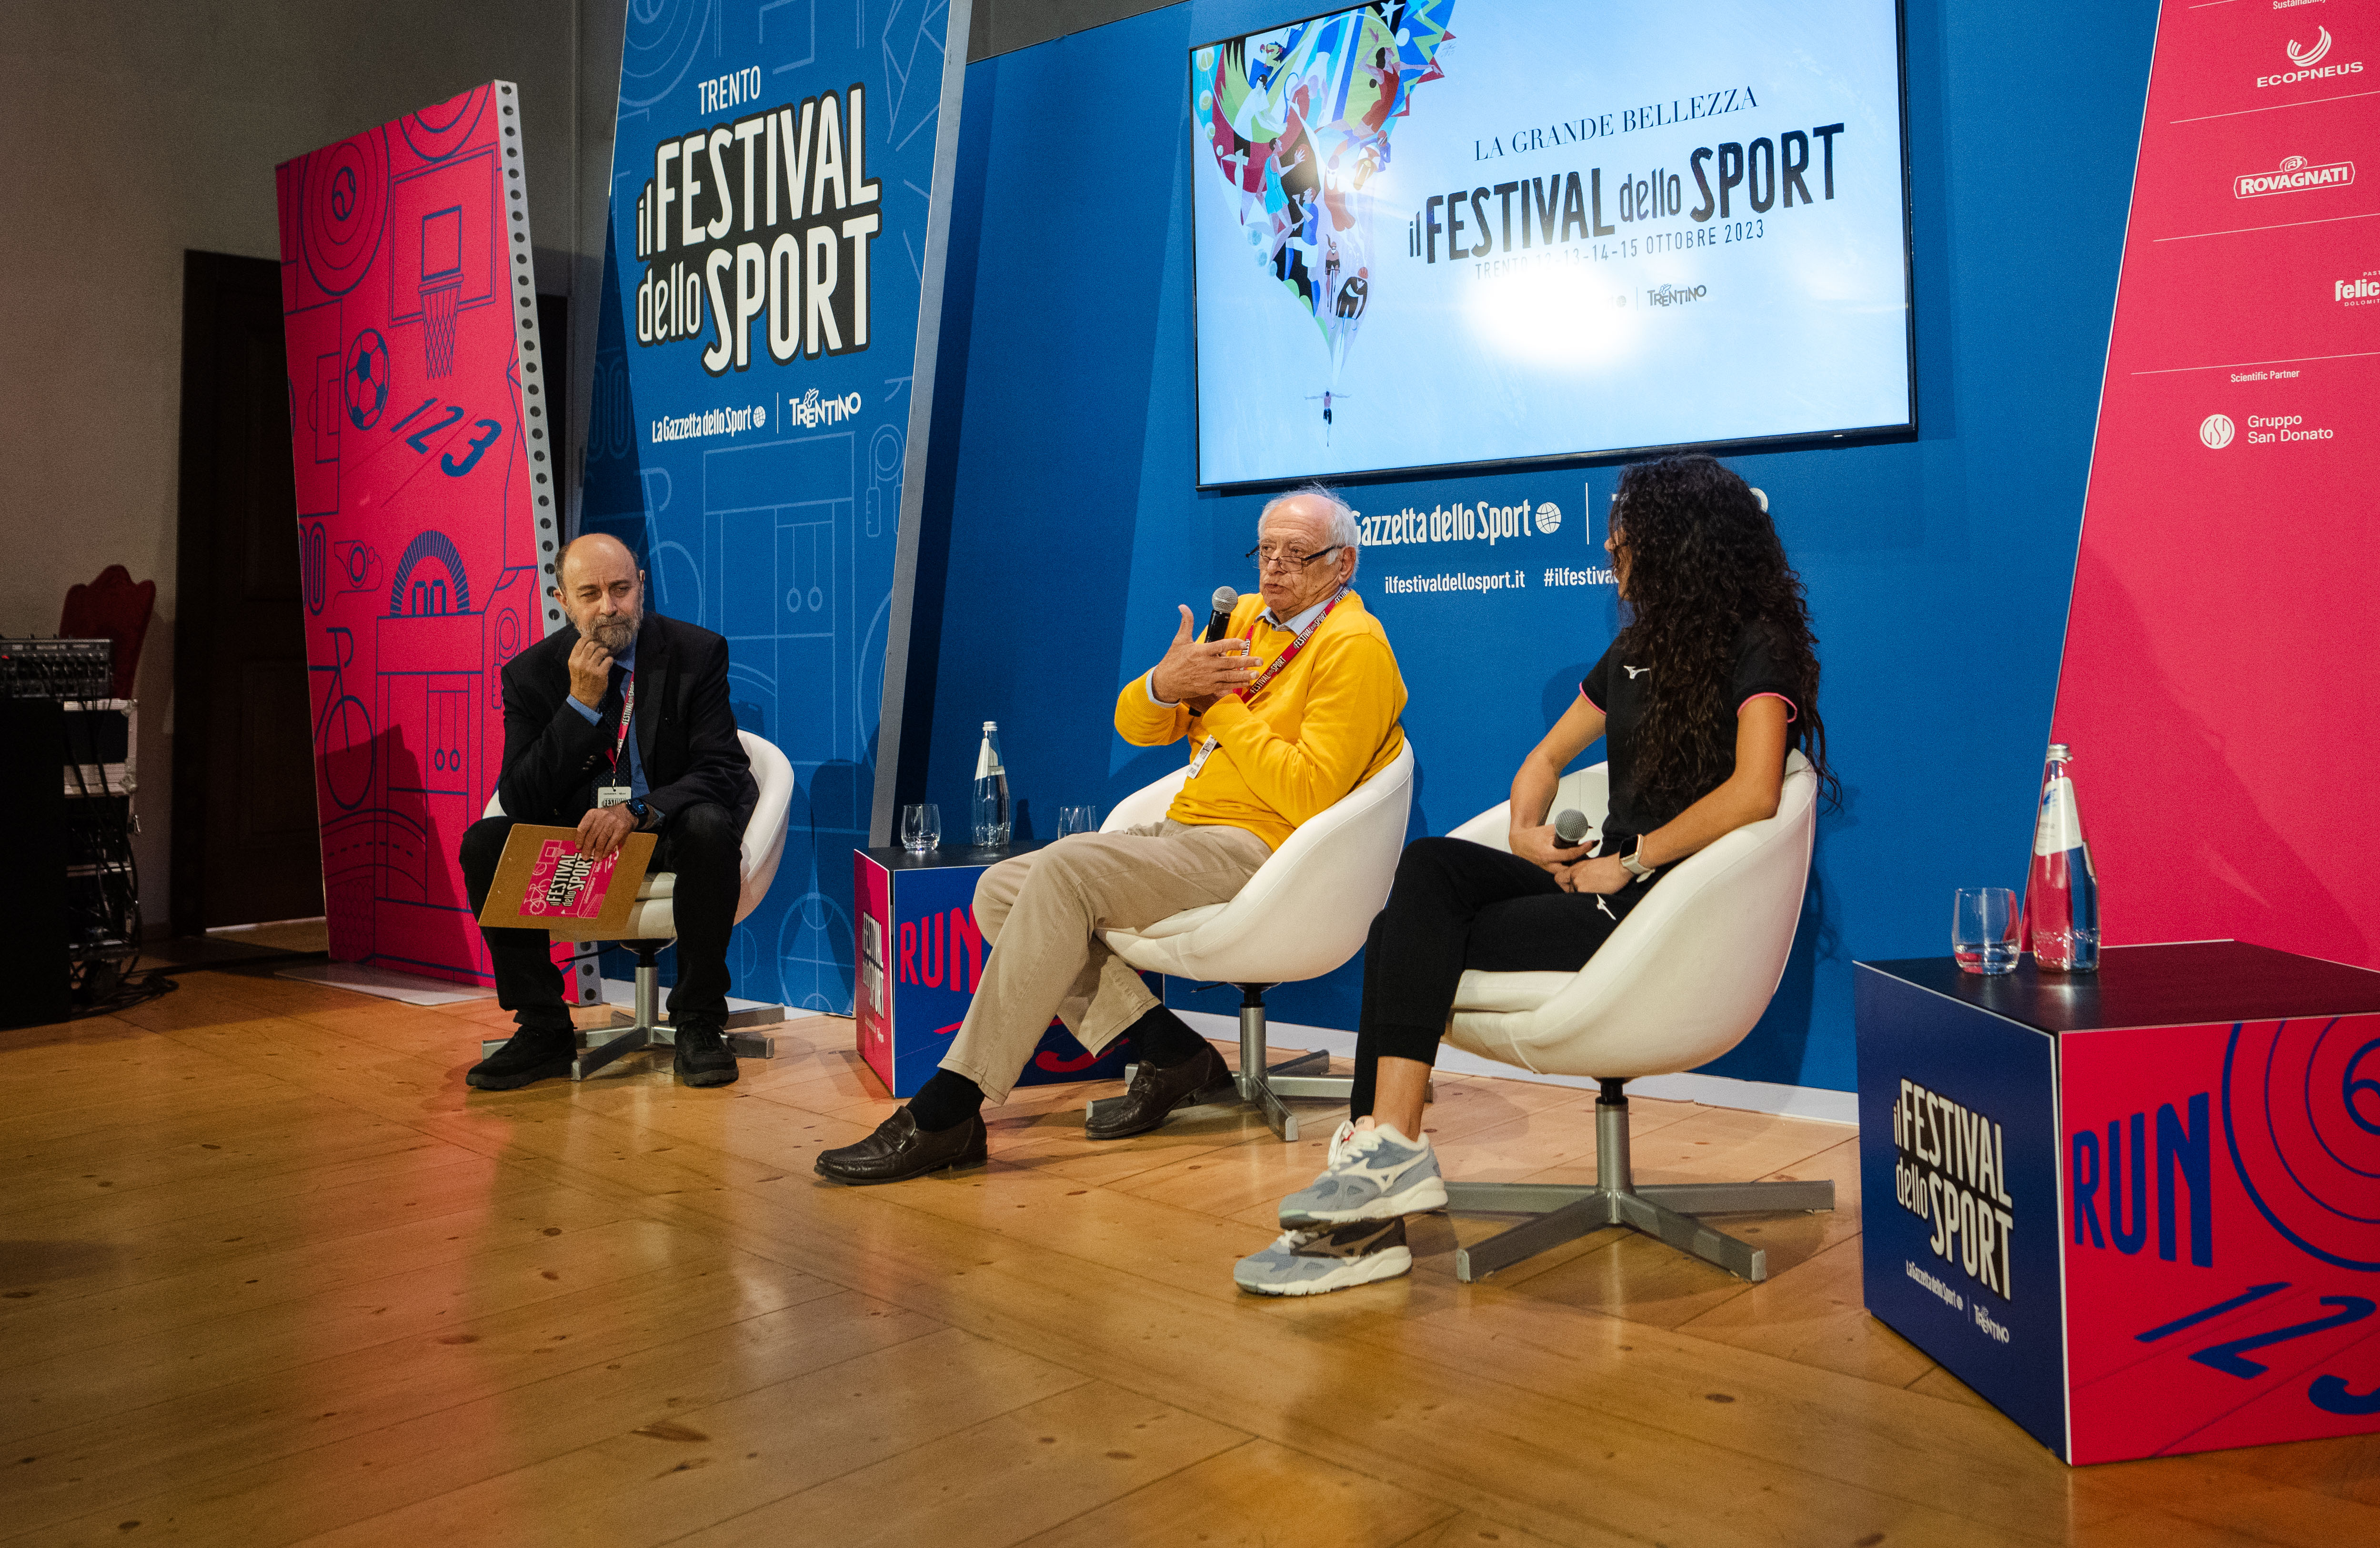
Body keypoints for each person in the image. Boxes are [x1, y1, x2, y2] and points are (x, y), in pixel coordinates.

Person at [1235, 453, 1823, 1295]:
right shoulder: (1636, 648)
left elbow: (1758, 789)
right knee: (1430, 871)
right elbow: (1546, 758)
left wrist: (1634, 860)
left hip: (1664, 907)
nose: (1614, 547)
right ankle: (1388, 1150)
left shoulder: (1758, 643)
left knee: (1417, 933)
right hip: (1602, 883)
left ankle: (1375, 1199)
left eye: (1627, 533)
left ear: (1676, 541)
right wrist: (1525, 828)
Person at [817, 486, 1407, 1184]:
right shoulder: (1244, 620)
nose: (1273, 569)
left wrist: (1218, 707)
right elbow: (1138, 725)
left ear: (1345, 563)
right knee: (1000, 890)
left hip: (1265, 850)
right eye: (1265, 551)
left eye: (1295, 554)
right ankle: (1170, 1046)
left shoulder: (1354, 646)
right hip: (1187, 828)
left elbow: (1310, 791)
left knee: (1060, 872)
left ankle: (950, 1107)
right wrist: (1165, 683)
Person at [463, 533, 755, 1091]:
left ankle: (698, 1021)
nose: (609, 606)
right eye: (590, 592)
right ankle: (544, 1025)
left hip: (662, 826)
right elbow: (520, 799)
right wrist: (578, 705)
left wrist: (639, 811)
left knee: (709, 823)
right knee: (484, 842)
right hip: (579, 836)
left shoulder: (696, 652)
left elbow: (722, 768)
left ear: (641, 584)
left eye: (621, 588)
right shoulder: (530, 674)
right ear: (563, 600)